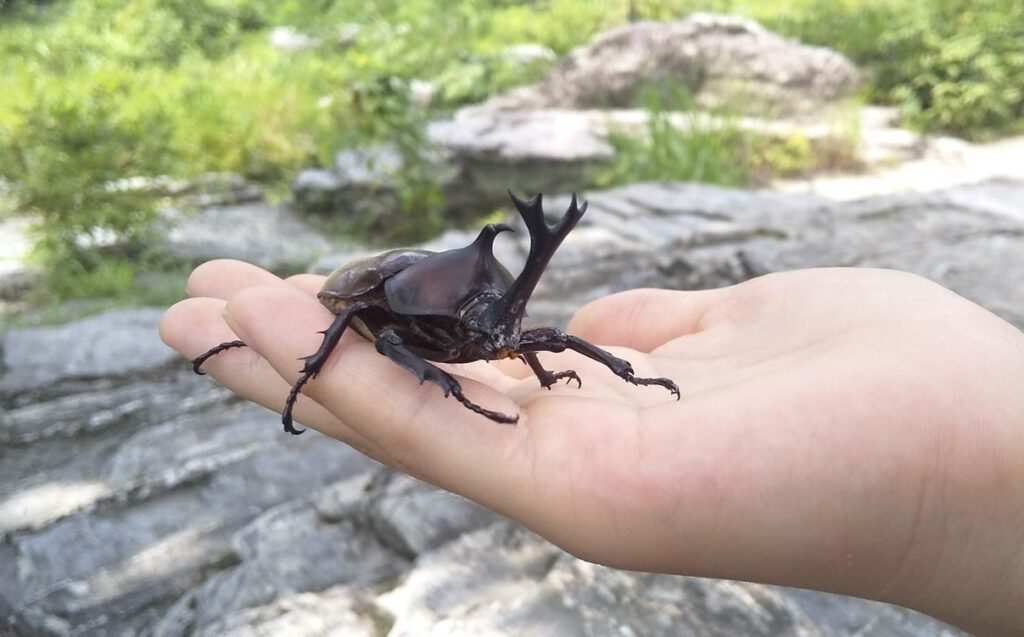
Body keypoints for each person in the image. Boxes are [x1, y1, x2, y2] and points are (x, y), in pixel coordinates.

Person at [161, 259, 1024, 637]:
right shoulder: (393, 297)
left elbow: (535, 337)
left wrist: (549, 359)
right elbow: (356, 317)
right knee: (350, 331)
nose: (501, 334)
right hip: (373, 307)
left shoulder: (483, 311)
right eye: (487, 323)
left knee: (565, 338)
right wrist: (438, 382)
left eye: (499, 321)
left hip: (430, 312)